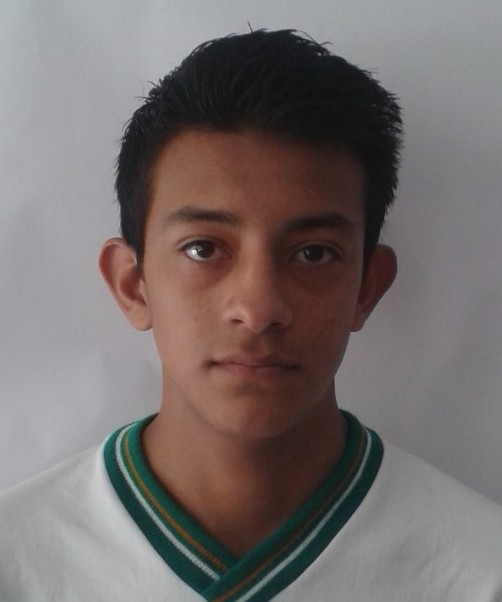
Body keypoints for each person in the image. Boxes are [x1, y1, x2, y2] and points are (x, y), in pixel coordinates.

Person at [1, 29, 501, 602]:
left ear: (367, 287)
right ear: (132, 284)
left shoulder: (481, 572)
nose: (259, 310)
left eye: (314, 254)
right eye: (203, 249)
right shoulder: (16, 562)